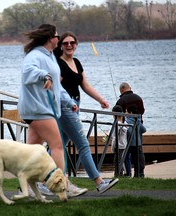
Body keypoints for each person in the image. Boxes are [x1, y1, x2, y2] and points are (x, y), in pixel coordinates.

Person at [17, 24, 86, 197]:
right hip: (38, 109)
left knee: (33, 150)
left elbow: (56, 85)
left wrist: (68, 101)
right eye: (57, 36)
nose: (59, 38)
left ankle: (26, 187)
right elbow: (27, 74)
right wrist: (43, 75)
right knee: (57, 146)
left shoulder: (50, 56)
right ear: (50, 38)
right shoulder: (34, 56)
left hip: (40, 109)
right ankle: (62, 184)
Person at [52, 31, 119, 194]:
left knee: (57, 145)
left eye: (72, 43)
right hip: (66, 107)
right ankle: (99, 182)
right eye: (65, 43)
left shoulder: (76, 62)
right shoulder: (58, 65)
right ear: (61, 46)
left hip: (75, 105)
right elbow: (56, 88)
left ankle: (40, 180)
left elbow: (85, 86)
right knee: (83, 144)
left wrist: (101, 100)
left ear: (76, 45)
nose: (69, 45)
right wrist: (67, 102)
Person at [124, 104, 147, 177]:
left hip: (129, 144)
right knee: (138, 160)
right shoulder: (138, 120)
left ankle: (128, 173)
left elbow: (129, 131)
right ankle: (139, 174)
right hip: (138, 143)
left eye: (126, 111)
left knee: (127, 159)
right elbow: (144, 130)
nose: (125, 113)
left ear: (130, 113)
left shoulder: (127, 121)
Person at [111, 105, 128, 176]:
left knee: (117, 161)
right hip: (123, 144)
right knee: (120, 160)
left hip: (118, 145)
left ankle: (118, 174)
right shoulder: (125, 123)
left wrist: (112, 147)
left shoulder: (117, 124)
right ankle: (121, 173)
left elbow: (115, 136)